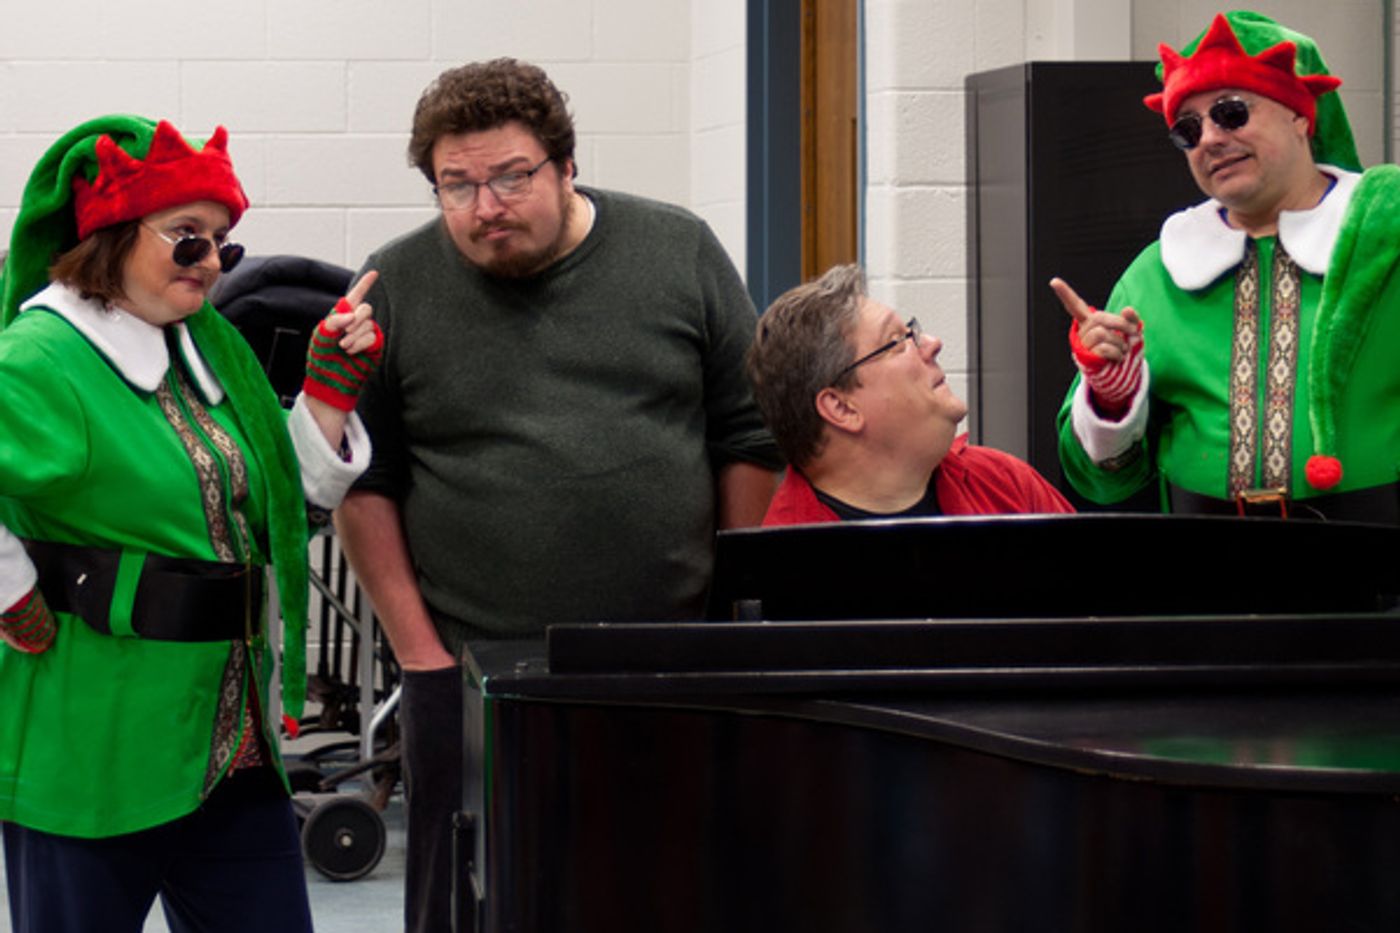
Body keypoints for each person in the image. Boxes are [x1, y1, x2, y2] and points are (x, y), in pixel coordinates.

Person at [333, 58, 783, 932]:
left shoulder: (677, 249)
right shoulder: (397, 281)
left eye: (511, 177)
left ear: (567, 165)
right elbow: (364, 477)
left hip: (667, 661)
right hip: (469, 673)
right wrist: (420, 657)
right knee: (467, 902)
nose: (485, 207)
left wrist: (730, 613)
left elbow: (748, 435)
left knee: (665, 890)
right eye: (456, 186)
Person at [0, 115, 382, 933]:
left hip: (232, 741)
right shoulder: (42, 355)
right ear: (110, 234)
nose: (211, 261)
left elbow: (283, 515)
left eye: (222, 243)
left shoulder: (204, 353)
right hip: (94, 744)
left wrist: (326, 395)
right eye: (188, 237)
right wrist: (10, 589)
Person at [1054, 11, 1400, 522]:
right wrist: (1111, 399)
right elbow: (1101, 482)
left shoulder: (1386, 242)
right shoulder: (1157, 274)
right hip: (1207, 552)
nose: (1210, 139)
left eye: (1231, 112)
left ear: (1300, 116)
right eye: (1188, 129)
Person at [748, 264, 1072, 525]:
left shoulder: (1003, 484)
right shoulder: (787, 566)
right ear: (841, 408)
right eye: (896, 341)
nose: (932, 343)